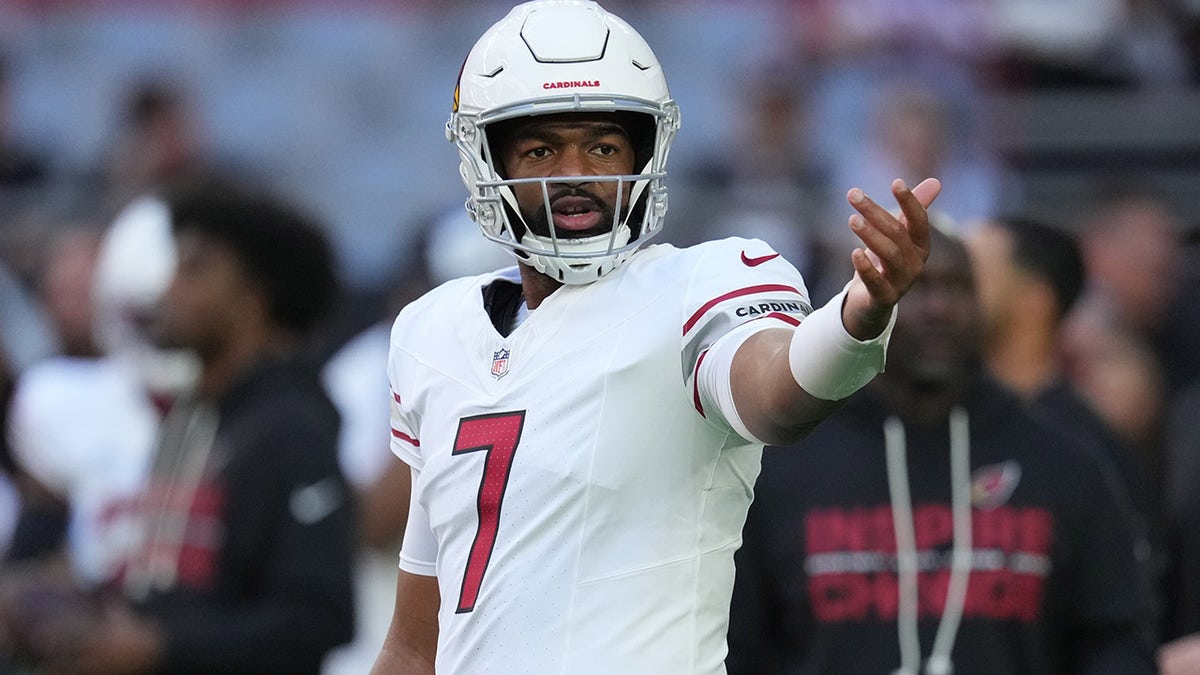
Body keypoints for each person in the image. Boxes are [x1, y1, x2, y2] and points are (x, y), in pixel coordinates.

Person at [370, 2, 941, 673]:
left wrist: (858, 314)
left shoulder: (701, 282)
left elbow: (777, 391)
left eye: (604, 146)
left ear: (645, 152)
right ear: (485, 161)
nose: (575, 171)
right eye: (541, 148)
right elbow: (416, 644)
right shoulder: (432, 330)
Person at [726, 226, 1158, 674]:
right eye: (915, 289)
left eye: (959, 288)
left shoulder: (1064, 463)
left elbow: (1117, 638)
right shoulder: (783, 466)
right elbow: (733, 643)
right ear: (857, 308)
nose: (941, 309)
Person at [3, 178, 356, 675]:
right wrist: (66, 602)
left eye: (195, 269)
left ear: (253, 294)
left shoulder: (292, 426)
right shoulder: (193, 417)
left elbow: (318, 621)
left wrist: (156, 650)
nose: (169, 289)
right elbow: (171, 594)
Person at [966, 214, 1165, 604]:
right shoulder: (944, 427)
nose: (945, 290)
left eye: (972, 272)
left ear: (1032, 301)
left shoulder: (1091, 451)